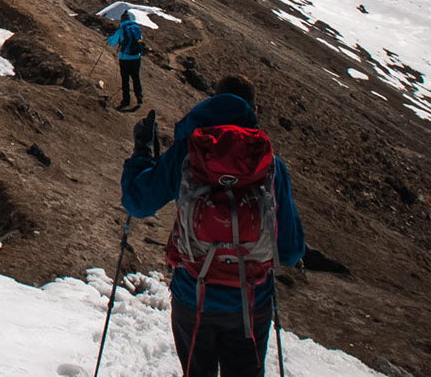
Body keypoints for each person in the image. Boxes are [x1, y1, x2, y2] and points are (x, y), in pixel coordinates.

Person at [121, 75, 305, 377]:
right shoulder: (271, 165)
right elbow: (291, 250)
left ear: (213, 99)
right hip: (251, 302)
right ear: (254, 110)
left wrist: (142, 152)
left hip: (193, 298)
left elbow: (137, 203)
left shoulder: (189, 151)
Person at [108, 10, 145, 109]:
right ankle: (139, 97)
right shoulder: (137, 28)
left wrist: (109, 38)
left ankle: (126, 101)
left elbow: (112, 42)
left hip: (125, 58)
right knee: (136, 77)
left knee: (125, 79)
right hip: (136, 57)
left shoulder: (121, 30)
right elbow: (140, 40)